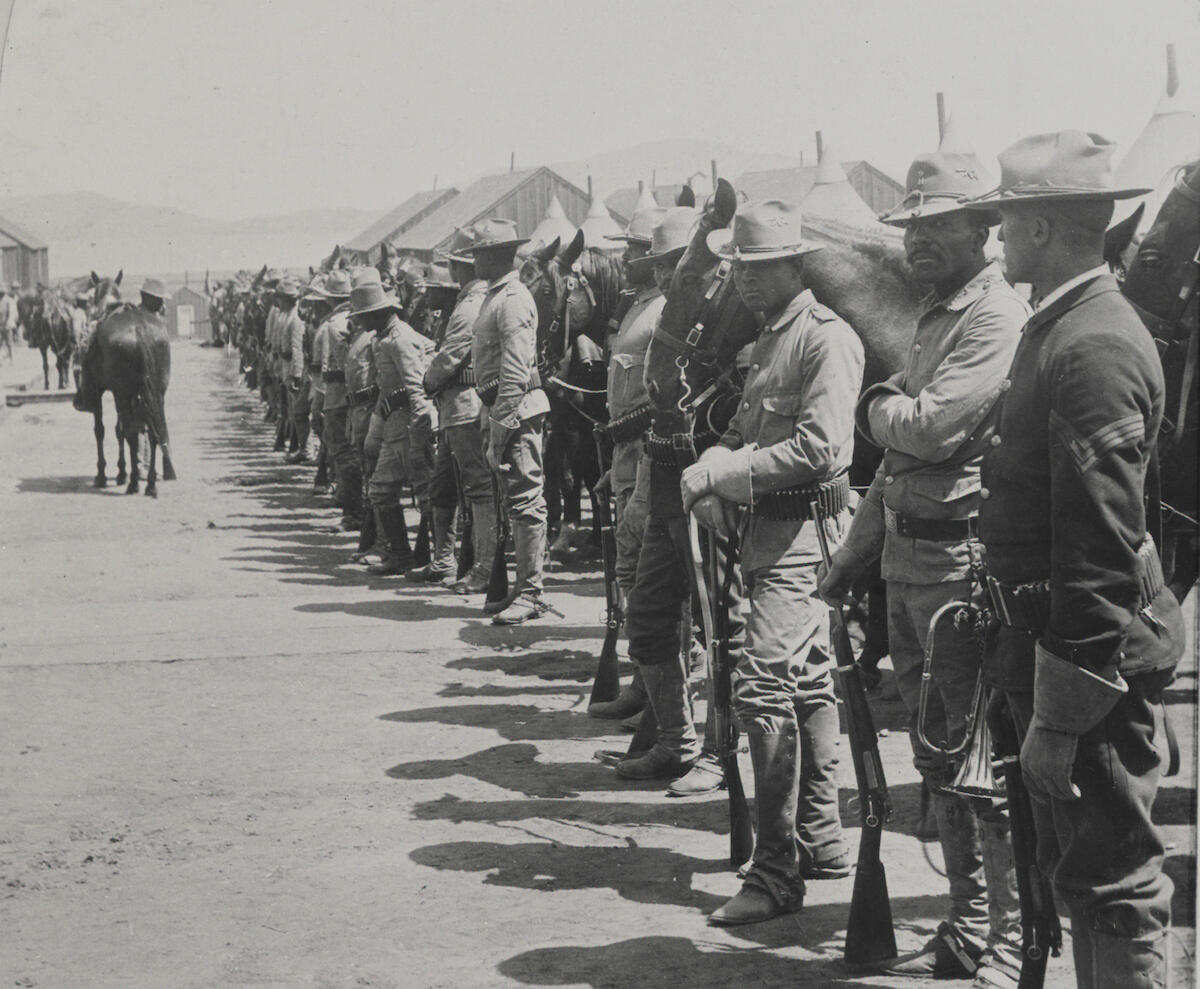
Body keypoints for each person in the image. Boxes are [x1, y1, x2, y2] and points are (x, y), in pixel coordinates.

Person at [963, 131, 1185, 989]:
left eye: (1009, 223)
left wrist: (1058, 721)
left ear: (1048, 230)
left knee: (1115, 881)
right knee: (1084, 876)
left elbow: (1097, 555)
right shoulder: (1065, 325)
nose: (998, 240)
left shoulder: (1089, 345)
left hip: (1089, 664)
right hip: (1060, 647)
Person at [818, 145, 1029, 986]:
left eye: (939, 227)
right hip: (910, 560)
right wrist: (851, 557)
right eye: (914, 228)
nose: (920, 242)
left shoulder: (994, 319)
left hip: (962, 570)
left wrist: (879, 408)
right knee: (939, 758)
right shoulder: (940, 314)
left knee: (983, 765)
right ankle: (967, 922)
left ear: (985, 228)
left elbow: (931, 429)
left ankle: (1011, 938)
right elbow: (900, 465)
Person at [681, 200, 862, 925]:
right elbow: (745, 432)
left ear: (796, 264)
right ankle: (820, 837)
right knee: (809, 681)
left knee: (762, 690)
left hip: (804, 538)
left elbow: (820, 450)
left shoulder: (826, 340)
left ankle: (776, 872)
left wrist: (727, 473)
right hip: (771, 538)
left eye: (761, 269)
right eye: (740, 271)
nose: (748, 283)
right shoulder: (768, 342)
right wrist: (718, 460)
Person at [585, 200, 668, 722]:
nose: (629, 258)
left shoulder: (663, 310)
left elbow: (661, 396)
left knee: (647, 576)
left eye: (637, 250)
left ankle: (656, 689)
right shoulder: (640, 304)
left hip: (646, 454)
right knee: (630, 573)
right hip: (626, 456)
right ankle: (643, 677)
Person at [465, 218, 553, 625]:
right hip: (498, 407)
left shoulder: (512, 298)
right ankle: (521, 588)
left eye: (479, 253)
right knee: (513, 504)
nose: (474, 260)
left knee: (526, 502)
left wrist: (499, 429)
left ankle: (532, 592)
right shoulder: (495, 295)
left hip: (515, 411)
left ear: (495, 255)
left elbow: (516, 373)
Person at [351, 275, 433, 576]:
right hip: (392, 427)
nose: (359, 322)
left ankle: (433, 557)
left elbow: (417, 391)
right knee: (381, 490)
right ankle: (400, 553)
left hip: (410, 429)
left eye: (362, 316)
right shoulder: (383, 339)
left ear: (376, 312)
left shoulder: (400, 340)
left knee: (427, 496)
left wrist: (420, 436)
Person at [423, 251, 491, 589]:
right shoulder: (470, 302)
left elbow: (449, 358)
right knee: (445, 485)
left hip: (465, 406)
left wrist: (427, 379)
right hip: (456, 407)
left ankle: (483, 569)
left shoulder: (469, 307)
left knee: (478, 488)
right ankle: (449, 561)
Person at [320, 270, 363, 531]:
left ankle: (353, 513)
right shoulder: (345, 321)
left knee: (343, 454)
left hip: (338, 398)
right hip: (347, 397)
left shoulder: (333, 325)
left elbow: (344, 367)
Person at [0, 284, 16, 363]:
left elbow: (10, 313)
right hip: (0, 325)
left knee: (9, 343)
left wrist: (7, 322)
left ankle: (11, 359)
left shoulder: (8, 300)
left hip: (7, 325)